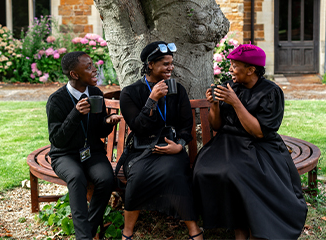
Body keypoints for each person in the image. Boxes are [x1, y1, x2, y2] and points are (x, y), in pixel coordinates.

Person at [193, 44, 307, 240]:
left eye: (235, 66)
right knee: (203, 169)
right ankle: (238, 227)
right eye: (230, 65)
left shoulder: (271, 92)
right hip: (227, 142)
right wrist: (214, 106)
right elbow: (217, 125)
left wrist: (235, 102)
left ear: (251, 69)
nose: (230, 70)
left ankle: (254, 228)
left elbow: (259, 132)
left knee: (241, 173)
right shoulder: (231, 86)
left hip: (259, 145)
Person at [119, 41, 203, 240]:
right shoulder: (130, 93)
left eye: (171, 63)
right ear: (150, 65)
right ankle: (127, 231)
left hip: (171, 148)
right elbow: (138, 127)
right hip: (142, 150)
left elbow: (185, 125)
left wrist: (179, 146)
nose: (170, 68)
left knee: (174, 173)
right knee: (137, 177)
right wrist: (152, 99)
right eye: (165, 64)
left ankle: (193, 230)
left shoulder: (177, 90)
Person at [46, 51, 122, 240]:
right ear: (74, 74)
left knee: (106, 179)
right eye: (88, 66)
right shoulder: (57, 100)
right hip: (64, 155)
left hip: (91, 152)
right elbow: (57, 139)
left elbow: (98, 131)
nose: (94, 69)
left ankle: (86, 231)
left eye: (92, 64)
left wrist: (107, 123)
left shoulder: (95, 93)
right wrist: (75, 114)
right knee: (76, 177)